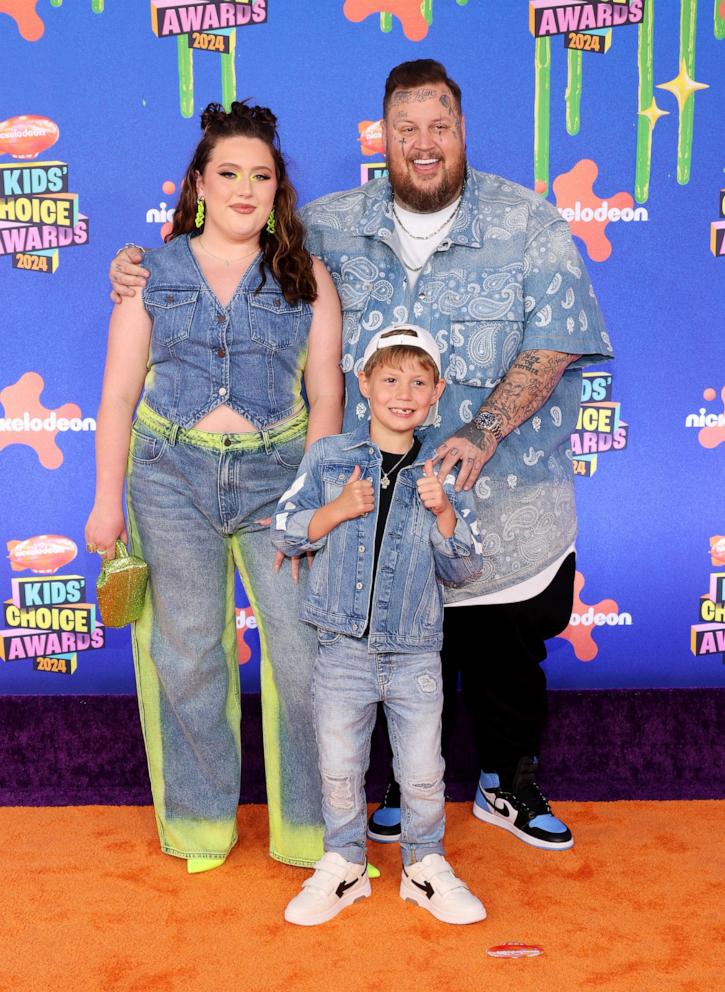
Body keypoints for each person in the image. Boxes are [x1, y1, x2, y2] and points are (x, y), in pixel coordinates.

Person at [109, 59, 613, 852]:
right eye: (404, 129)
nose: (421, 144)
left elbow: (555, 344)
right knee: (354, 648)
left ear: (461, 132)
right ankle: (362, 792)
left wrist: (479, 432)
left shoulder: (530, 223)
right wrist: (140, 269)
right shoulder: (332, 225)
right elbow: (236, 252)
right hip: (364, 501)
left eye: (437, 127)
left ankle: (503, 780)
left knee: (499, 652)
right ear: (381, 137)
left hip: (500, 500)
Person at [88, 101, 343, 873]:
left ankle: (311, 833)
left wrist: (313, 498)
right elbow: (118, 396)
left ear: (277, 191)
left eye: (259, 176)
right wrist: (106, 499)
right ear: (198, 183)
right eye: (227, 173)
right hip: (169, 478)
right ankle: (200, 828)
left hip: (280, 481)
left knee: (304, 659)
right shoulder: (149, 273)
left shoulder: (306, 276)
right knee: (188, 653)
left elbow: (326, 395)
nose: (244, 188)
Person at [272, 325, 486, 926]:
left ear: (437, 392)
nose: (404, 392)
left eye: (419, 382)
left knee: (421, 771)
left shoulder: (443, 468)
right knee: (339, 765)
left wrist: (443, 511)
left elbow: (466, 568)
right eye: (389, 378)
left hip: (416, 650)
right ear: (362, 383)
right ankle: (342, 864)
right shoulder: (330, 457)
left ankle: (425, 866)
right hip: (341, 648)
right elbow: (287, 530)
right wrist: (339, 509)